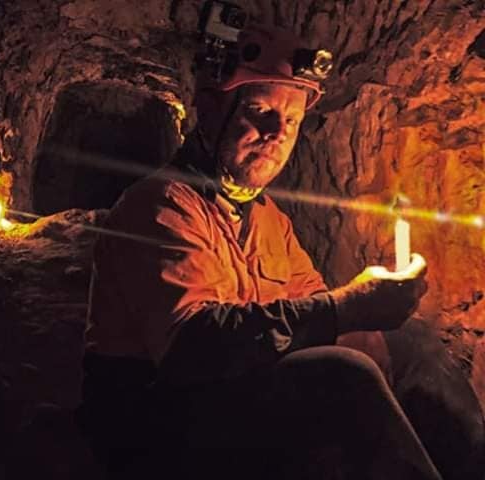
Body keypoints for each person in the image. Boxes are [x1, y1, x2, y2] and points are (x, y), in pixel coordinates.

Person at [77, 25, 485, 480]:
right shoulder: (159, 206)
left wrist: (369, 317)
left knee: (413, 342)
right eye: (260, 112)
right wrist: (343, 308)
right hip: (155, 424)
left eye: (291, 121)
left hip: (231, 392)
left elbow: (311, 308)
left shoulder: (268, 219)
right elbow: (190, 349)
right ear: (211, 111)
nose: (277, 133)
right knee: (339, 372)